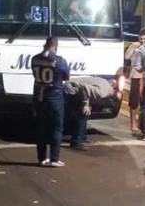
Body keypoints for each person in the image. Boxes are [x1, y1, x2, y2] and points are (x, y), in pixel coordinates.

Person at [32, 36, 70, 167]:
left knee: (40, 128)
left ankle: (41, 158)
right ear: (55, 46)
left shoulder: (35, 59)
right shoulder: (59, 61)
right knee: (56, 128)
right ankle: (54, 158)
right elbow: (66, 76)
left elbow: (34, 74)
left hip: (39, 98)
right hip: (55, 98)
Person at [64, 75, 118, 151]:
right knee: (81, 114)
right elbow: (85, 89)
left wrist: (88, 103)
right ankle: (77, 142)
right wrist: (85, 104)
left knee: (85, 114)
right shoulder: (103, 92)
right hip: (72, 89)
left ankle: (82, 138)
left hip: (74, 88)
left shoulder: (105, 84)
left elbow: (90, 93)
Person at [125, 28, 145, 134]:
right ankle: (133, 123)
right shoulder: (134, 46)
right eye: (141, 38)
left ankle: (141, 122)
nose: (143, 41)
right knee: (134, 102)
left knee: (144, 102)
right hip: (135, 76)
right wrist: (133, 48)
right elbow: (127, 57)